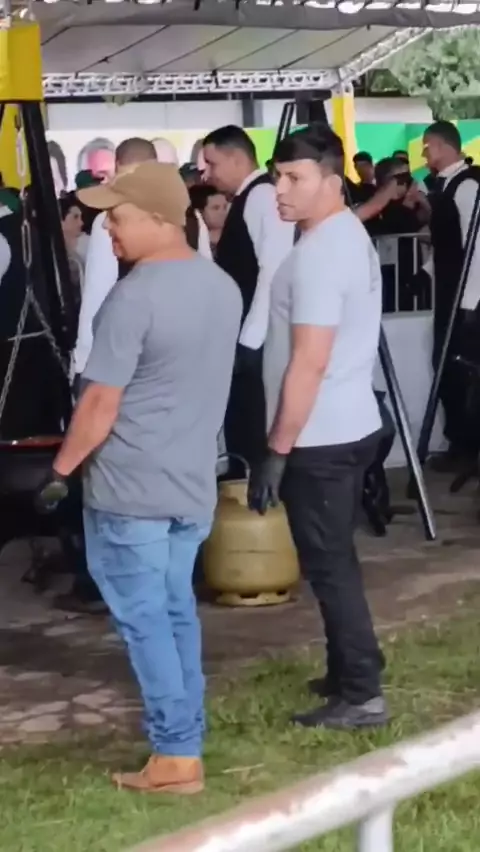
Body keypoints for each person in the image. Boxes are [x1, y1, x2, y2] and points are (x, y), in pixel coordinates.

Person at [36, 161, 241, 791]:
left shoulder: (134, 298)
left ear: (158, 218)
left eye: (118, 217)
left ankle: (176, 753)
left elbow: (99, 404)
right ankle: (186, 738)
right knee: (175, 611)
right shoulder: (222, 287)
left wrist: (59, 472)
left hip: (130, 492)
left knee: (147, 620)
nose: (108, 229)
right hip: (190, 486)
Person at [248, 124, 386, 730]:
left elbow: (309, 360)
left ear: (331, 182)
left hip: (320, 435)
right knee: (336, 558)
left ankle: (363, 695)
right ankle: (348, 669)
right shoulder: (343, 233)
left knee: (330, 566)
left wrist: (277, 449)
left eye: (294, 178)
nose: (280, 189)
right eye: (277, 176)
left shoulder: (320, 256)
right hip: (348, 422)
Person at [202, 125, 294, 475]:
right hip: (245, 333)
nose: (208, 174)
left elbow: (272, 269)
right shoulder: (249, 198)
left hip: (255, 336)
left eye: (213, 164)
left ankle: (253, 496)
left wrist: (250, 340)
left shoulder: (261, 197)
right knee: (241, 422)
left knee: (251, 424)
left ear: (237, 159)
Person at [422, 120, 480, 470]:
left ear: (443, 146)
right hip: (449, 291)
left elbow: (477, 246)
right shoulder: (446, 186)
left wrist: (470, 301)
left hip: (466, 296)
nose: (424, 153)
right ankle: (460, 442)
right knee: (444, 368)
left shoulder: (468, 185)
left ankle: (467, 446)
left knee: (459, 371)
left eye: (427, 146)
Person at [189, 184, 229, 256]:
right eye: (215, 208)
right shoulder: (191, 243)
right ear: (199, 212)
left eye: (225, 207)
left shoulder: (237, 238)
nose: (223, 212)